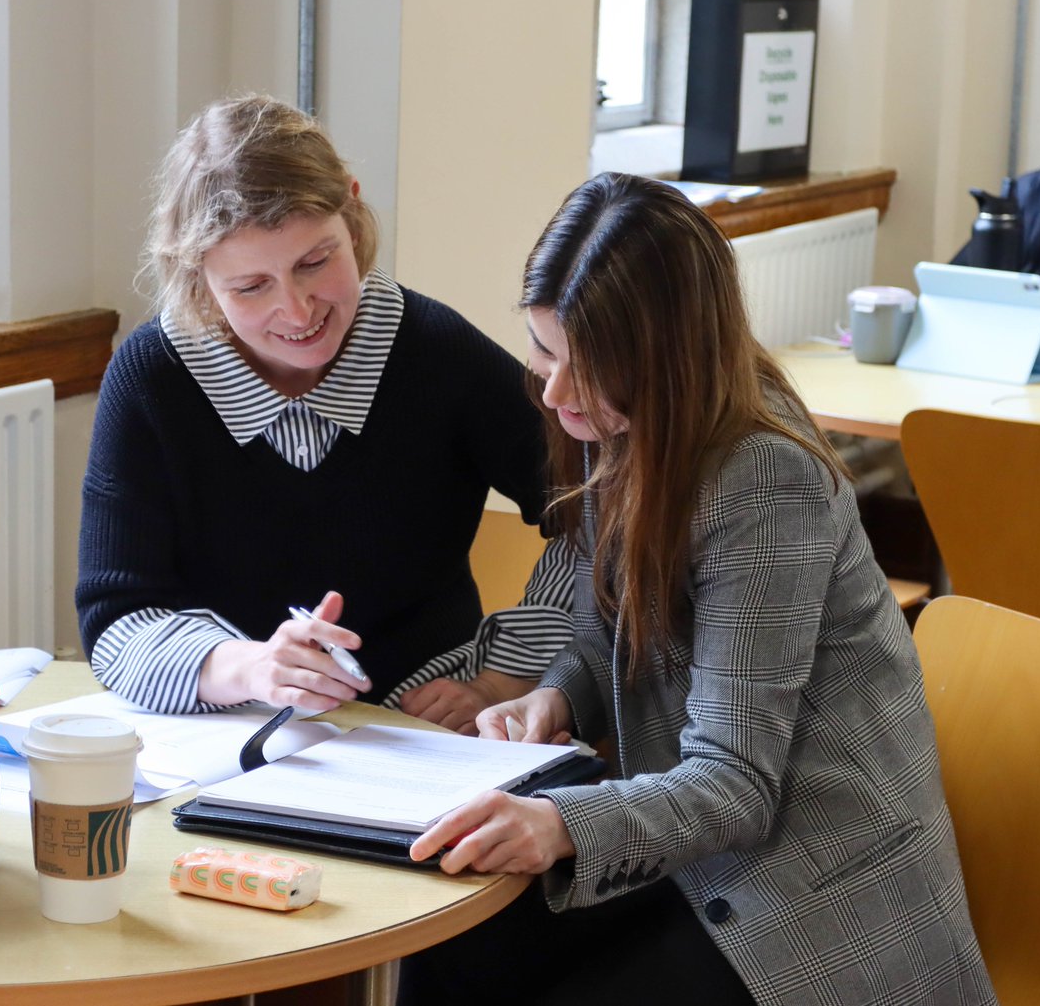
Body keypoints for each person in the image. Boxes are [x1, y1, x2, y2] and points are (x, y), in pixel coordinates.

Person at [399, 174, 996, 1005]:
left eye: (588, 365)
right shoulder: (616, 417)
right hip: (699, 849)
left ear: (666, 362)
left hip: (813, 891)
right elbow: (607, 625)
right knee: (447, 955)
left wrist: (560, 823)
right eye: (543, 350)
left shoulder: (765, 478)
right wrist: (559, 699)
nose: (557, 392)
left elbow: (736, 786)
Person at [75, 94, 572, 730]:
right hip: (229, 731)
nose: (299, 311)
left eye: (316, 262)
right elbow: (117, 618)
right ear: (197, 277)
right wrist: (251, 667)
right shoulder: (153, 377)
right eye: (251, 287)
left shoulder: (431, 350)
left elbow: (607, 510)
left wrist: (504, 672)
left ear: (353, 212)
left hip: (427, 727)